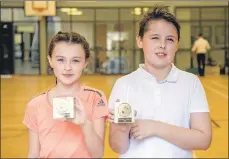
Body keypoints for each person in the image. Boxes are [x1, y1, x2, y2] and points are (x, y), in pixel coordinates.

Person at [108, 5, 212, 158]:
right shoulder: (123, 84)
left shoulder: (191, 83)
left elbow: (203, 140)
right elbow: (119, 148)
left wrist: (155, 127)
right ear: (140, 41)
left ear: (177, 44)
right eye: (155, 37)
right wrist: (122, 130)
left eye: (170, 39)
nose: (162, 45)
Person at [23, 31, 108, 158]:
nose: (67, 67)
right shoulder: (35, 104)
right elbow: (33, 154)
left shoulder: (96, 98)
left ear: (85, 63)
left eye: (75, 61)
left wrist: (85, 124)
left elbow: (98, 154)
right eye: (61, 60)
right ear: (50, 61)